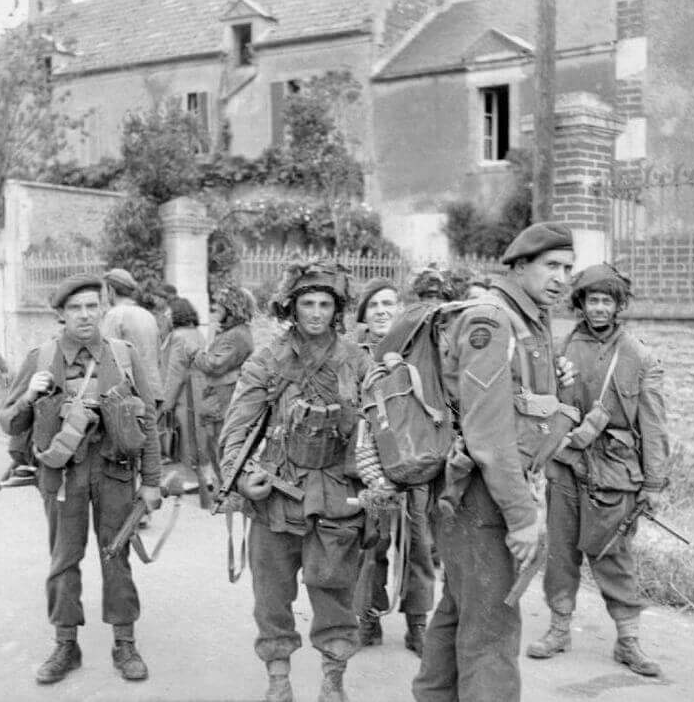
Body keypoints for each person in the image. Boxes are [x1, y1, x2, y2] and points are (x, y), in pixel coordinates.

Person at [412, 222, 577, 702]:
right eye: (551, 266)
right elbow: (489, 437)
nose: (562, 278)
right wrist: (522, 517)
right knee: (492, 632)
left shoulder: (530, 319)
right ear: (520, 266)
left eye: (567, 268)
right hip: (483, 497)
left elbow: (526, 411)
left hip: (484, 494)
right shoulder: (494, 321)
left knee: (462, 611)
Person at [0, 273, 162, 684]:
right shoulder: (40, 357)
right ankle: (65, 643)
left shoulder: (122, 356)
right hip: (62, 478)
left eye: (92, 305)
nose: (86, 315)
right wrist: (30, 396)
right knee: (63, 561)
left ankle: (124, 642)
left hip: (115, 474)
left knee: (117, 556)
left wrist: (153, 481)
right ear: (61, 314)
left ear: (103, 308)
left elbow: (150, 423)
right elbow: (8, 421)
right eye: (75, 308)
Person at [218, 261, 370, 702]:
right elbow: (236, 429)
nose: (317, 313)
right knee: (272, 598)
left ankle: (332, 680)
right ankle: (278, 680)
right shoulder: (267, 360)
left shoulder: (358, 361)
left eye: (326, 304)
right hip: (277, 496)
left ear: (337, 309)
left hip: (337, 497)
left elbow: (382, 431)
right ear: (291, 306)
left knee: (336, 595)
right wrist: (244, 477)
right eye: (308, 303)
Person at [526, 263, 669, 676]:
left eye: (608, 300)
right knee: (560, 551)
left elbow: (654, 424)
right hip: (566, 464)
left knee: (613, 557)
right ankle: (558, 628)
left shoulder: (639, 356)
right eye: (593, 299)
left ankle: (628, 641)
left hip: (615, 472)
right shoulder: (562, 348)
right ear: (581, 303)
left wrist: (653, 483)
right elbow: (541, 407)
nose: (600, 308)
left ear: (619, 305)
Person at [353, 278, 435, 656]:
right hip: (371, 469)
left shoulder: (418, 351)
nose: (383, 311)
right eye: (374, 305)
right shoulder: (353, 356)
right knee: (371, 545)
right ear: (363, 314)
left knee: (418, 545)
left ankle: (417, 624)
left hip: (413, 464)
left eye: (389, 303)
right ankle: (368, 618)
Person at [186, 283, 255, 480]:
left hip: (222, 398)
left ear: (231, 309)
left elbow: (213, 365)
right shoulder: (233, 332)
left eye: (220, 307)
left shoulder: (237, 335)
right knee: (215, 445)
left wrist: (194, 351)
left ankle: (227, 495)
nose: (216, 311)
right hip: (218, 396)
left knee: (219, 446)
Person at [160, 297, 209, 487]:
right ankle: (205, 473)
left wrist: (166, 403)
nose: (166, 316)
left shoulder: (179, 336)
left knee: (187, 435)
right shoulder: (197, 333)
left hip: (186, 392)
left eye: (169, 312)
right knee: (200, 432)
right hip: (201, 387)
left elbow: (175, 373)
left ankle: (192, 478)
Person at [101, 268, 164, 407]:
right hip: (154, 391)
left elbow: (106, 358)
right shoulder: (148, 315)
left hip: (131, 396)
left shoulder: (114, 315)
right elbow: (159, 355)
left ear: (110, 290)